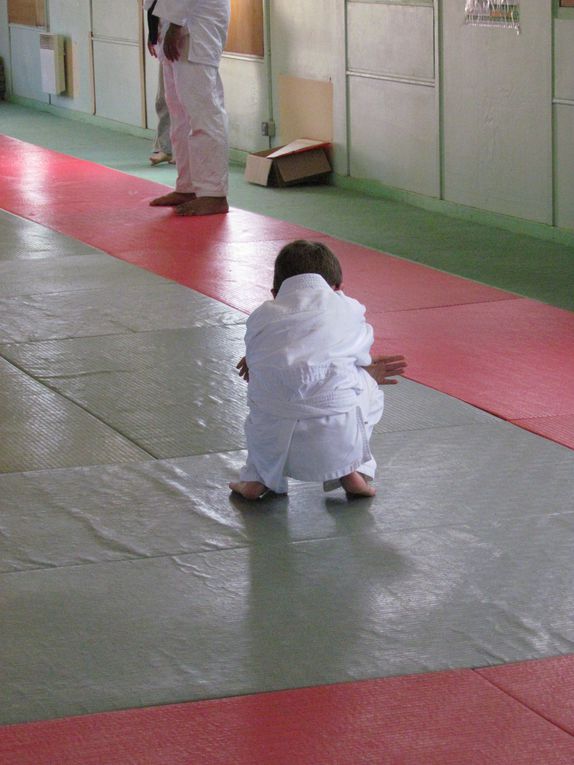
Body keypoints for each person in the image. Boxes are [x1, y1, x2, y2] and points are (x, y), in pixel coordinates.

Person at [229, 240, 407, 501]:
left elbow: (257, 360)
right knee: (363, 380)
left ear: (274, 292)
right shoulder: (347, 307)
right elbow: (359, 355)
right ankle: (353, 470)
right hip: (336, 441)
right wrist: (365, 370)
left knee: (264, 393)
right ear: (339, 288)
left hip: (273, 447)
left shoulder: (260, 316)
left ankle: (256, 478)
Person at [147, 0, 230, 216]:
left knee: (204, 113)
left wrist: (175, 24)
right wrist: (156, 27)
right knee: (179, 115)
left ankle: (214, 194)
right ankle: (188, 187)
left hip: (197, 25)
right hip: (175, 22)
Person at [146, 2, 174, 166]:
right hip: (165, 36)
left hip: (182, 37)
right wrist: (152, 35)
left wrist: (174, 31)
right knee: (164, 98)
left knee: (184, 101)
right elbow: (151, 6)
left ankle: (177, 150)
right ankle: (167, 148)